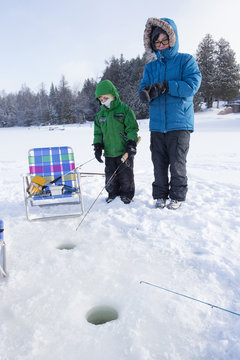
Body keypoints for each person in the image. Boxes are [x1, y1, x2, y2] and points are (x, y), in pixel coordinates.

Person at [139, 17, 201, 210]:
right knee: (158, 163)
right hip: (157, 124)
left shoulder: (186, 60)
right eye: (157, 42)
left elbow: (192, 85)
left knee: (177, 163)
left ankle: (177, 197)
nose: (161, 45)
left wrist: (166, 86)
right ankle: (160, 196)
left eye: (164, 40)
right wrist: (146, 94)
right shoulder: (151, 67)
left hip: (179, 123)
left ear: (172, 39)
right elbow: (143, 88)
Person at [93, 79, 139, 204]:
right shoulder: (99, 116)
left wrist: (131, 143)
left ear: (112, 95)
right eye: (100, 100)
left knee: (126, 175)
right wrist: (97, 146)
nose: (103, 102)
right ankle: (112, 194)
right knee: (110, 176)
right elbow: (98, 133)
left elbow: (132, 128)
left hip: (123, 151)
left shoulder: (124, 110)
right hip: (108, 152)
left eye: (105, 98)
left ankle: (126, 195)